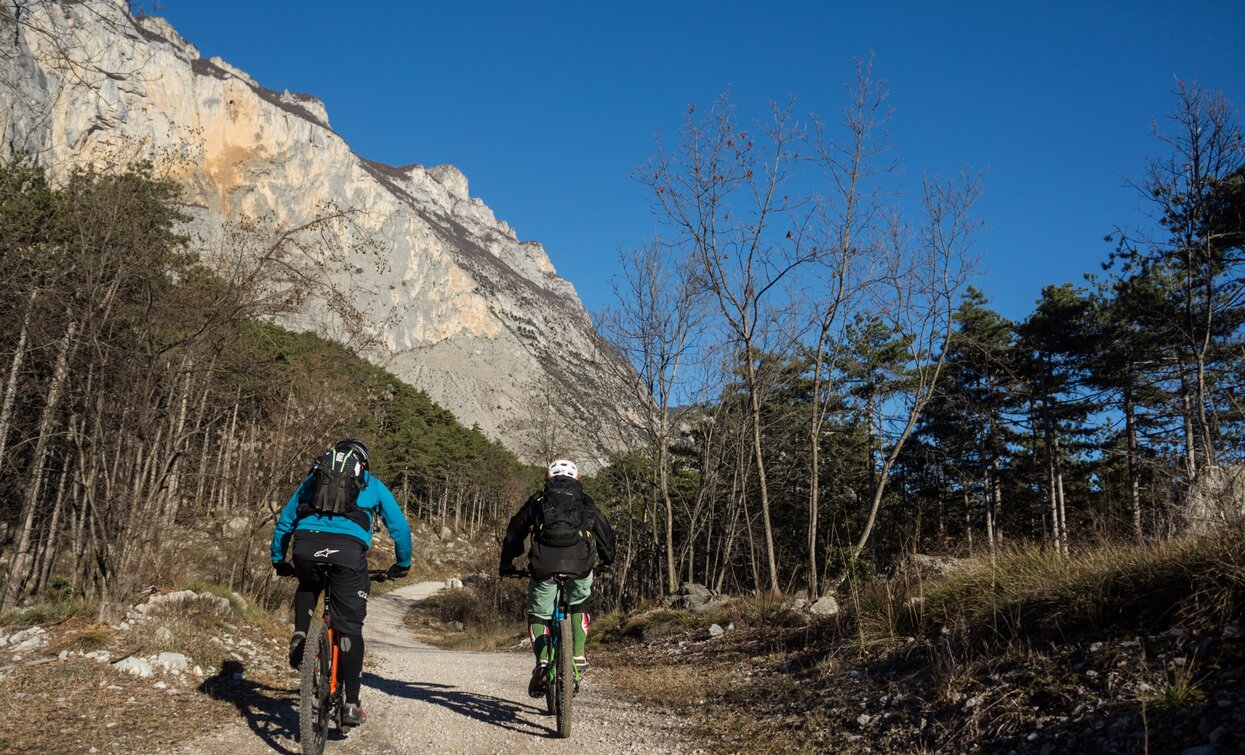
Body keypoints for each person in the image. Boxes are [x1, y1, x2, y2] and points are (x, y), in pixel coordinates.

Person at [270, 438, 412, 727]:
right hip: (347, 555)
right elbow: (400, 527)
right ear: (362, 462)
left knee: (308, 584)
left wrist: (278, 559)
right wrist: (403, 563)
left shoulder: (313, 478)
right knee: (350, 628)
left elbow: (286, 520)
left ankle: (300, 634)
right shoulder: (371, 484)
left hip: (306, 547)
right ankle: (351, 703)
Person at [499, 458, 615, 697]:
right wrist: (608, 560)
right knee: (579, 602)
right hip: (580, 563)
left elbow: (515, 530)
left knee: (540, 613)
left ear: (547, 479)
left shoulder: (538, 500)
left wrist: (507, 563)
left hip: (545, 564)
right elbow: (604, 532)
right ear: (577, 479)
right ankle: (578, 655)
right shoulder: (585, 501)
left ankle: (543, 661)